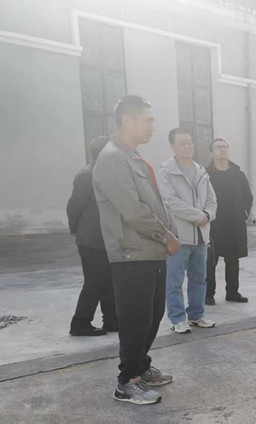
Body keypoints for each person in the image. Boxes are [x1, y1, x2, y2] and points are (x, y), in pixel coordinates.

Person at [93, 95, 181, 405]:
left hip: (149, 252)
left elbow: (155, 203)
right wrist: (166, 236)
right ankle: (127, 382)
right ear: (127, 120)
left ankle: (140, 367)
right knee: (135, 320)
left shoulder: (133, 158)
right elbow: (133, 210)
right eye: (148, 120)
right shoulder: (112, 158)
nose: (152, 127)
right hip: (131, 254)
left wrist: (167, 235)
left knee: (152, 315)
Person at [157, 128, 217, 333]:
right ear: (173, 147)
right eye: (182, 143)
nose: (187, 147)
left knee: (199, 279)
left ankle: (196, 315)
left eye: (189, 142)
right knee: (174, 280)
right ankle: (177, 318)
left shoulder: (201, 171)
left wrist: (208, 214)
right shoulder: (166, 171)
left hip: (201, 236)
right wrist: (198, 216)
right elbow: (169, 201)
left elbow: (212, 199)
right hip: (178, 236)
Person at [66, 135, 117, 336]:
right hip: (91, 239)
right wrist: (76, 230)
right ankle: (80, 323)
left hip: (106, 237)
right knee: (94, 281)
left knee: (109, 280)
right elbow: (74, 206)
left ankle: (112, 320)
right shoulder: (87, 175)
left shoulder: (105, 173)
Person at [205, 138, 253, 304]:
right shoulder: (205, 174)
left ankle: (232, 292)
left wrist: (244, 213)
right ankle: (208, 294)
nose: (222, 150)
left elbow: (248, 197)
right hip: (213, 224)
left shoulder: (238, 174)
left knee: (233, 260)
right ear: (211, 153)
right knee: (210, 260)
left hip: (234, 224)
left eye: (225, 147)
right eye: (218, 147)